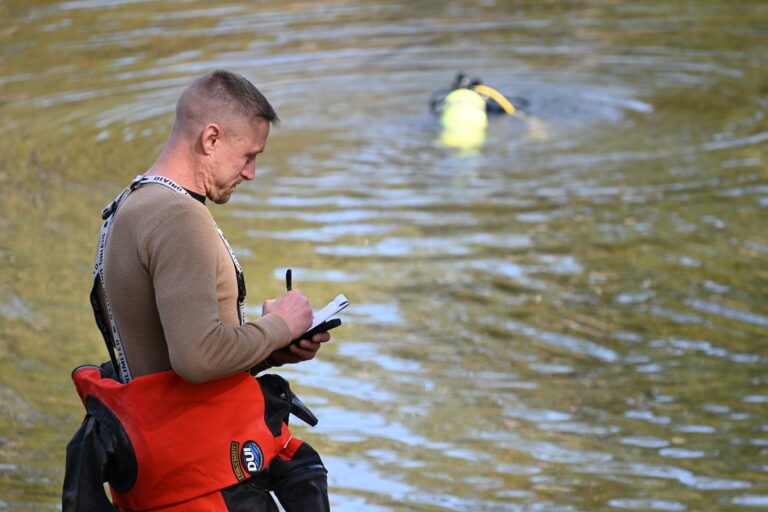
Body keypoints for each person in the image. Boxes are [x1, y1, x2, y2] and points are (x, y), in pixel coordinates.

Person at [63, 70, 332, 511]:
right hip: (202, 485)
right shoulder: (178, 217)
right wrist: (279, 325)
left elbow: (164, 366)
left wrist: (273, 348)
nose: (251, 173)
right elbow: (198, 358)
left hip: (161, 475)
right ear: (211, 138)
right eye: (248, 155)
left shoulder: (132, 205)